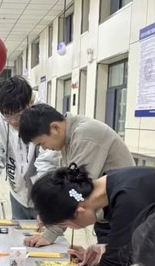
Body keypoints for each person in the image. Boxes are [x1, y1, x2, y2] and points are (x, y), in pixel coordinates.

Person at [18, 103, 135, 247]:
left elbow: (74, 193)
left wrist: (51, 231)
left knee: (114, 259)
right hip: (108, 214)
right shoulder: (68, 138)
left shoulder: (85, 135)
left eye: (42, 143)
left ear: (55, 128)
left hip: (124, 214)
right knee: (101, 258)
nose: (45, 148)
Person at [0, 76, 59, 222]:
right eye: (7, 116)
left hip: (44, 194)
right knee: (16, 234)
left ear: (30, 102)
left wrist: (45, 207)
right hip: (17, 195)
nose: (13, 121)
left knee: (45, 234)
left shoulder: (45, 117)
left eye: (19, 115)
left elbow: (47, 166)